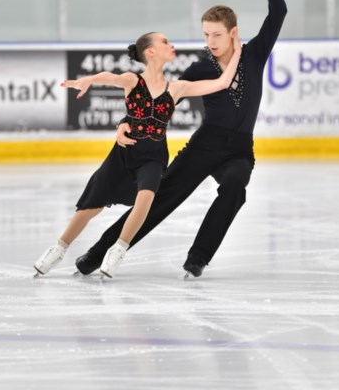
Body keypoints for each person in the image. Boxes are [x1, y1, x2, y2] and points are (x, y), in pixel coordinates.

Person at [73, 0, 287, 278]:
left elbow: (278, 13)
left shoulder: (255, 54)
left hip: (240, 150)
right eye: (206, 34)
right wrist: (124, 121)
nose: (211, 41)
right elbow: (159, 98)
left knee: (235, 188)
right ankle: (96, 254)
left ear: (233, 33)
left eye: (217, 34)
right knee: (160, 199)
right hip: (204, 145)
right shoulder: (200, 69)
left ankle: (198, 257)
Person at [32, 29, 243, 278]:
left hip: (154, 157)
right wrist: (88, 80)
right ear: (151, 51)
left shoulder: (177, 88)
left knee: (146, 198)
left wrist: (237, 51)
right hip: (123, 154)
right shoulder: (133, 80)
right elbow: (110, 77)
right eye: (165, 42)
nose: (171, 44)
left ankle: (118, 250)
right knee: (90, 207)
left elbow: (221, 83)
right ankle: (59, 248)